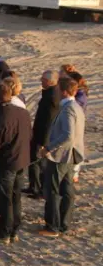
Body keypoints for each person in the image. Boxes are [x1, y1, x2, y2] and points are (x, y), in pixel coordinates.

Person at [0, 83, 31, 244]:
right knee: (16, 197)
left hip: (6, 162)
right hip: (22, 160)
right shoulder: (23, 112)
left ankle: (5, 231)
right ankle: (14, 230)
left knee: (6, 199)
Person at [38, 77, 85, 237]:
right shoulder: (76, 107)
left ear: (64, 92)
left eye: (57, 90)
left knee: (53, 191)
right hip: (70, 156)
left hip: (61, 156)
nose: (55, 93)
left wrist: (48, 148)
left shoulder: (69, 109)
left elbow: (68, 135)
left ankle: (52, 226)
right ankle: (63, 224)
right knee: (66, 191)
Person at [25, 70, 60, 198]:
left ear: (50, 81)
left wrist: (44, 142)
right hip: (39, 133)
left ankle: (39, 190)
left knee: (39, 162)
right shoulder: (50, 93)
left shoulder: (51, 97)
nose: (41, 81)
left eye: (43, 79)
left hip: (43, 136)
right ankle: (33, 186)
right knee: (35, 161)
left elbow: (49, 121)